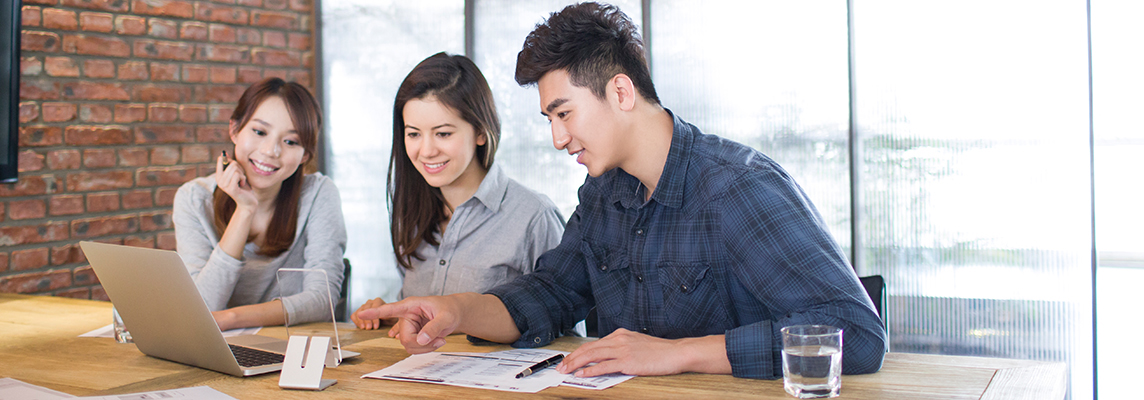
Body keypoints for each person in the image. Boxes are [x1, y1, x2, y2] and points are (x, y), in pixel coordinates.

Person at [358, 2, 886, 380]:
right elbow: (550, 294)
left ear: (620, 91)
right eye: (549, 118)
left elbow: (854, 334)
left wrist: (675, 353)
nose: (558, 138)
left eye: (563, 113)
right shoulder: (602, 195)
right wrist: (455, 311)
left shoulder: (739, 187)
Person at [351, 52, 566, 331]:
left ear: (480, 131)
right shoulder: (412, 215)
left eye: (443, 133)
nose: (426, 151)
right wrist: (394, 314)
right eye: (413, 134)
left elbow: (568, 332)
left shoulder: (533, 217)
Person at [172, 78, 347, 331]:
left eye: (290, 142)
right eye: (259, 132)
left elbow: (323, 299)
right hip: (216, 353)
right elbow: (203, 306)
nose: (271, 151)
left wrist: (231, 318)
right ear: (234, 130)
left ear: (304, 156)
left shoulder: (319, 194)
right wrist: (244, 210)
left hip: (294, 351)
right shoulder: (194, 199)